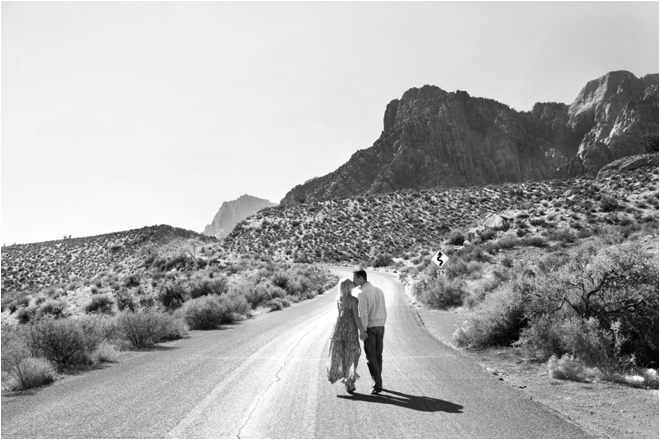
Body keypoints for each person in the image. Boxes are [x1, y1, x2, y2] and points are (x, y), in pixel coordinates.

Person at [327, 278, 365, 394]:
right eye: (351, 285)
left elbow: (340, 315)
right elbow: (356, 317)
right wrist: (362, 331)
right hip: (350, 329)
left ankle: (347, 381)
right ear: (348, 287)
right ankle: (349, 381)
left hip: (339, 328)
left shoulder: (338, 298)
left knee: (342, 355)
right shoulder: (353, 300)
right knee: (353, 353)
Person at [353, 269, 387, 395]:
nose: (353, 280)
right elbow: (384, 309)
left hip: (371, 327)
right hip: (381, 326)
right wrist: (383, 322)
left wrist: (363, 330)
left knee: (370, 356)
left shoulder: (362, 293)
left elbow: (364, 314)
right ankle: (378, 380)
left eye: (355, 278)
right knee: (378, 355)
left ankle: (378, 383)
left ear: (361, 278)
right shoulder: (379, 291)